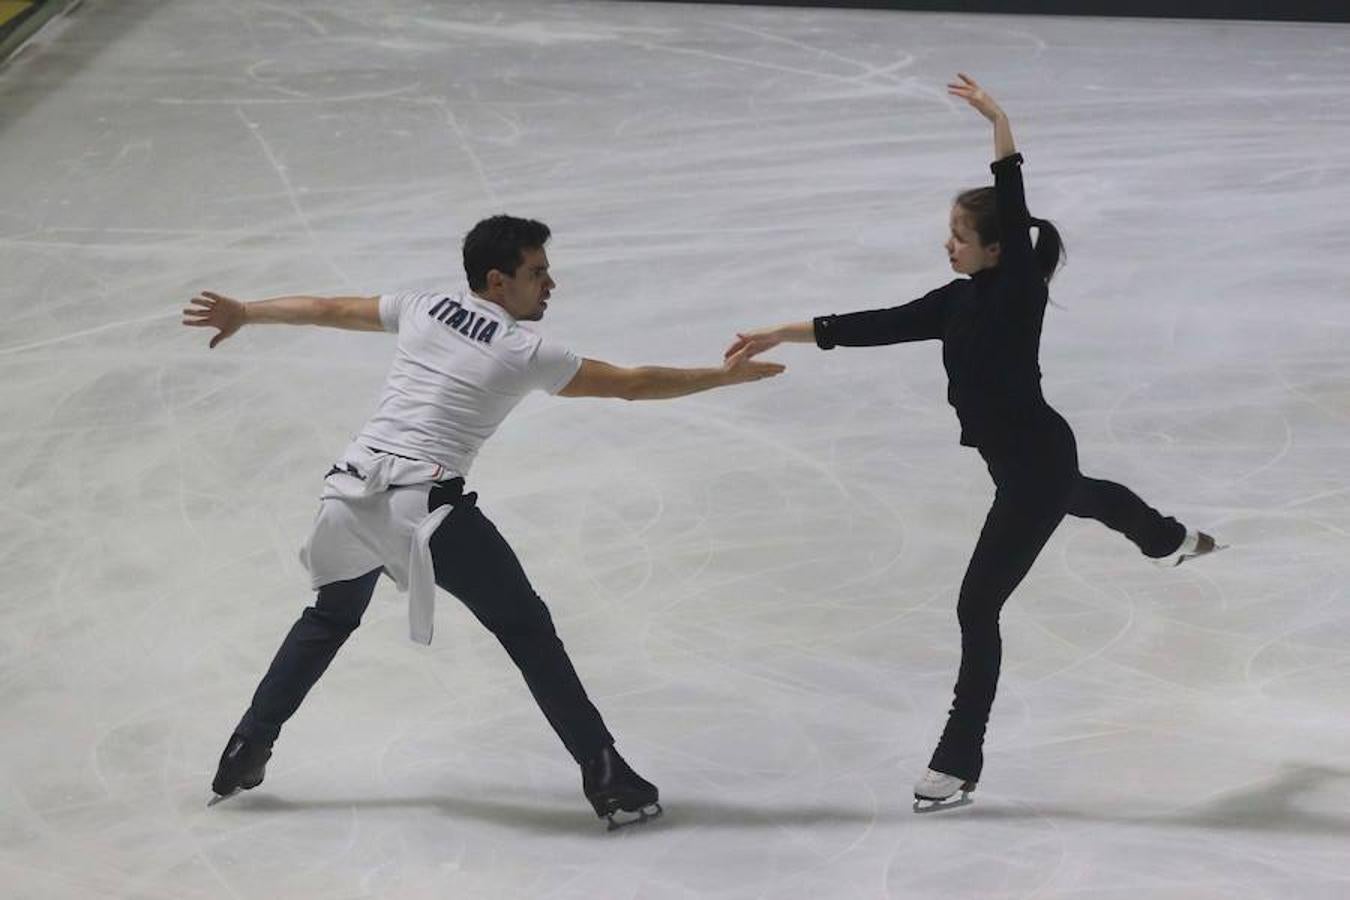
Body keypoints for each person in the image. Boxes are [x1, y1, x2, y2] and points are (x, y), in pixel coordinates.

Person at [183, 214, 784, 828]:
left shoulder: (423, 307)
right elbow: (631, 385)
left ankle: (246, 748)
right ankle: (608, 776)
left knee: (330, 616)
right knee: (528, 631)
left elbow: (329, 308)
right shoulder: (524, 351)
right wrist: (720, 377)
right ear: (498, 281)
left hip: (346, 497)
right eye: (537, 273)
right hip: (424, 510)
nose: (550, 284)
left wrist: (247, 311)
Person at [724, 74, 1220, 813]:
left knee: (976, 607)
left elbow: (1012, 200)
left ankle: (958, 761)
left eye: (960, 236)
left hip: (1031, 469)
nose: (947, 243)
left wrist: (1000, 123)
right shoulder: (954, 302)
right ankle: (1169, 539)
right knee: (1083, 497)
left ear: (997, 248)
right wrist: (779, 329)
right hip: (1032, 463)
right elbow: (870, 323)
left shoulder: (1017, 291)